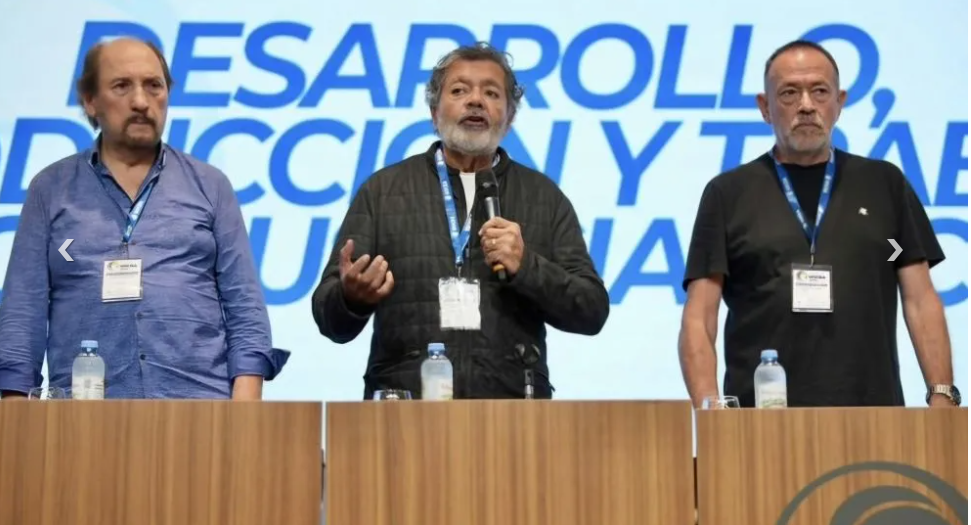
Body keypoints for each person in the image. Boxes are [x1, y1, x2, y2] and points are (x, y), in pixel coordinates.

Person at [312, 42, 609, 400]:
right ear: (434, 112)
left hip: (512, 409)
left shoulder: (543, 196)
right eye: (459, 91)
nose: (476, 101)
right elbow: (329, 319)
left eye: (491, 93)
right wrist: (351, 298)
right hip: (405, 407)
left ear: (510, 117)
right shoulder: (384, 191)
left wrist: (527, 266)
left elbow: (592, 310)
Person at [0, 37, 287, 399]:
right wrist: (16, 416)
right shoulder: (51, 189)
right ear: (90, 101)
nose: (140, 101)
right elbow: (22, 312)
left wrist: (243, 417)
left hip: (201, 410)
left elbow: (245, 308)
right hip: (84, 413)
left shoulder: (210, 186)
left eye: (154, 85)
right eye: (122, 86)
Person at [678, 40, 959, 408]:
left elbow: (920, 299)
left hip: (874, 415)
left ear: (839, 102)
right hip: (759, 418)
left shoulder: (884, 184)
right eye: (789, 93)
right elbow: (699, 316)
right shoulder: (728, 193)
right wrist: (709, 411)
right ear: (765, 107)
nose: (806, 105)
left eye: (820, 91)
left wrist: (942, 396)